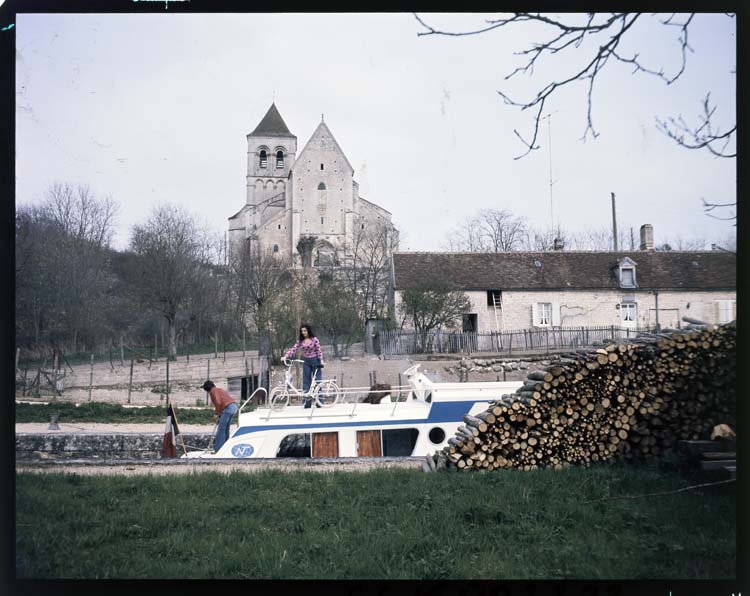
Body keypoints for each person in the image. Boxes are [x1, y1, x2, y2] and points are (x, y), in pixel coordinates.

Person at [283, 323, 325, 408]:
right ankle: (307, 402)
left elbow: (319, 350)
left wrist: (321, 360)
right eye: (302, 331)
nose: (303, 332)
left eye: (305, 330)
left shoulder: (314, 340)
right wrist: (286, 356)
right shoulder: (301, 341)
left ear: (308, 330)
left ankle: (320, 401)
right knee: (306, 382)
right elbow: (294, 349)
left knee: (317, 380)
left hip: (315, 361)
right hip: (306, 361)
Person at [202, 380, 238, 452]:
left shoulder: (213, 391)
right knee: (226, 429)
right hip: (234, 407)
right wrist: (220, 413)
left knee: (221, 429)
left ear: (207, 389)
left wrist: (217, 414)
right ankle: (226, 447)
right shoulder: (219, 389)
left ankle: (218, 449)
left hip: (228, 408)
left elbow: (218, 402)